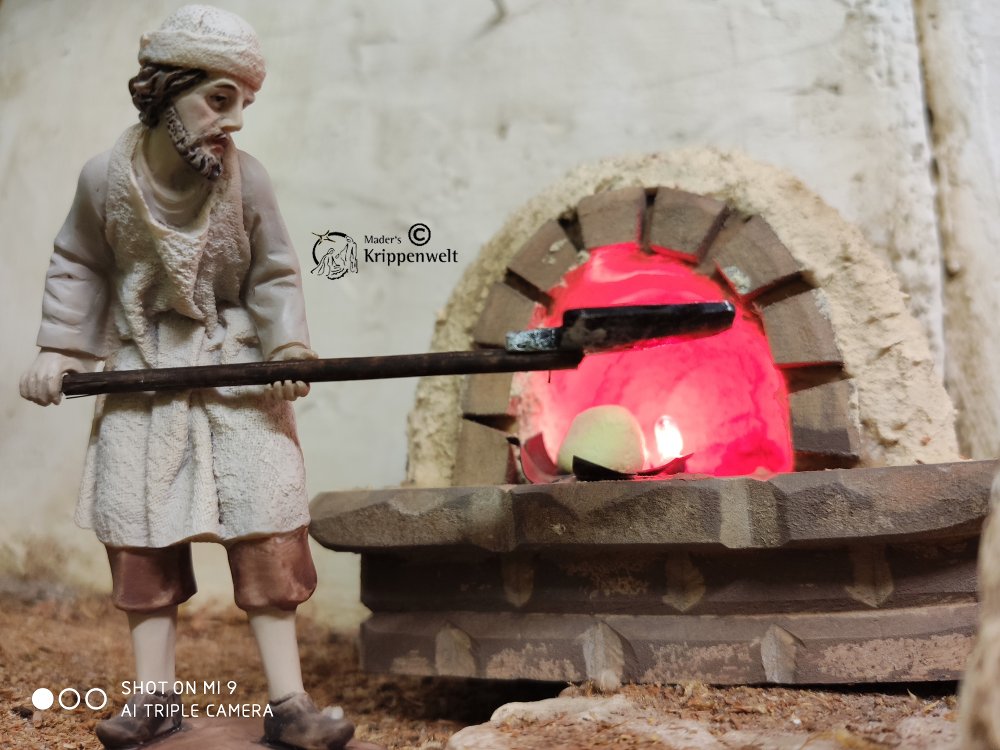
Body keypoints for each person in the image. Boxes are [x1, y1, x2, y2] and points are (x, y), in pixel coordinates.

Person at [19, 6, 354, 749]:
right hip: (144, 375)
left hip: (237, 369)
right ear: (165, 92)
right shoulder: (105, 178)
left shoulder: (247, 181)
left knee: (268, 526)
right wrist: (62, 351)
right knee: (140, 537)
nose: (231, 122)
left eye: (243, 105)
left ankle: (290, 704)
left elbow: (274, 275)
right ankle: (155, 700)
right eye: (217, 99)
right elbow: (77, 262)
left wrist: (288, 349)